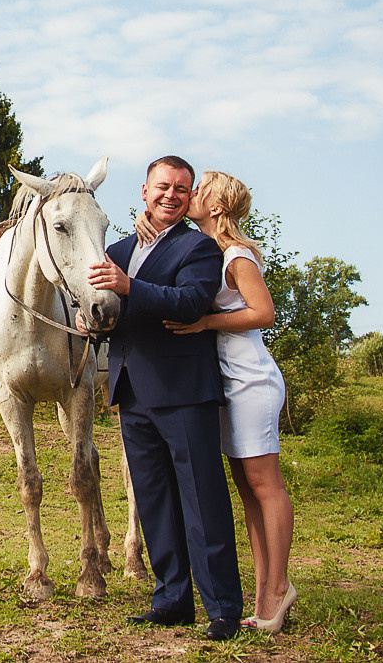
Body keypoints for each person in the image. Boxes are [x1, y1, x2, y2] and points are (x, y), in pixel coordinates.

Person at [86, 156, 243, 641]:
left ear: (189, 195)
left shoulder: (198, 248)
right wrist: (90, 323)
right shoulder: (114, 248)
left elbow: (193, 303)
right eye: (162, 186)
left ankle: (222, 609)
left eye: (181, 188)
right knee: (153, 501)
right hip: (130, 391)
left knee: (203, 500)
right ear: (144, 190)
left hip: (184, 392)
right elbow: (107, 308)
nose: (171, 195)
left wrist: (130, 287)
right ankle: (171, 600)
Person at [138, 170, 296, 633]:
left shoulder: (235, 254)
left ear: (217, 206)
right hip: (220, 380)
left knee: (265, 483)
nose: (187, 197)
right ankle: (266, 587)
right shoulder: (200, 250)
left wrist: (206, 324)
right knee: (245, 488)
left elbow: (263, 313)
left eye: (198, 191)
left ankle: (277, 588)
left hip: (249, 377)